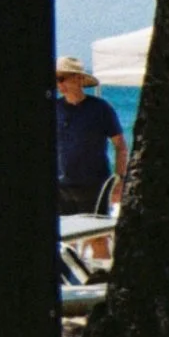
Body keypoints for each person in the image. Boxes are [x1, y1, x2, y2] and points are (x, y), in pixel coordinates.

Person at [55, 55, 129, 216]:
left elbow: (120, 146)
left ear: (79, 79)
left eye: (62, 78)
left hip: (94, 185)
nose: (59, 84)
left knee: (96, 236)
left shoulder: (100, 109)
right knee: (66, 237)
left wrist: (119, 181)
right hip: (61, 186)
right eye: (55, 80)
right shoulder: (54, 109)